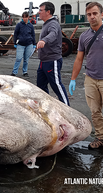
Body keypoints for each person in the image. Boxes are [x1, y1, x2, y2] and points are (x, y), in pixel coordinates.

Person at [69, 2, 103, 149]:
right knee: (95, 111)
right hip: (90, 78)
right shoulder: (84, 36)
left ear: (102, 14)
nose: (92, 17)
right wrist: (73, 79)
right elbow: (79, 59)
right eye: (89, 14)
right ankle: (101, 137)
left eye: (95, 13)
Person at [36, 2, 69, 106]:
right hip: (43, 61)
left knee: (56, 85)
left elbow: (53, 34)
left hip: (52, 60)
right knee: (41, 86)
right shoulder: (46, 24)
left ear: (48, 12)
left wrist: (44, 40)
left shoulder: (53, 24)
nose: (39, 12)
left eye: (41, 10)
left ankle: (67, 108)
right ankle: (45, 107)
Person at [11, 11, 36, 77]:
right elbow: (15, 34)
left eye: (26, 17)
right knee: (18, 58)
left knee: (26, 60)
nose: (24, 19)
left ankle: (25, 71)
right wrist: (15, 42)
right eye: (23, 17)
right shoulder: (19, 25)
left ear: (28, 17)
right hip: (20, 44)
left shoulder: (31, 26)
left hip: (29, 44)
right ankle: (14, 72)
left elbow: (33, 34)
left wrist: (34, 44)